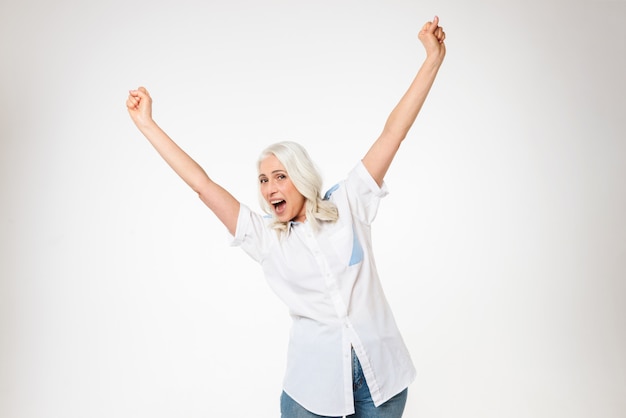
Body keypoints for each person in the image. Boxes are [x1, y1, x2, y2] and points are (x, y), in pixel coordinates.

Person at [126, 15, 446, 418]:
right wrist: (147, 125)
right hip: (312, 392)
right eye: (263, 180)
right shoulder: (264, 238)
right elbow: (202, 185)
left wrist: (432, 59)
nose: (271, 187)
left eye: (280, 176)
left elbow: (392, 133)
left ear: (301, 177)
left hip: (382, 379)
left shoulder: (349, 203)